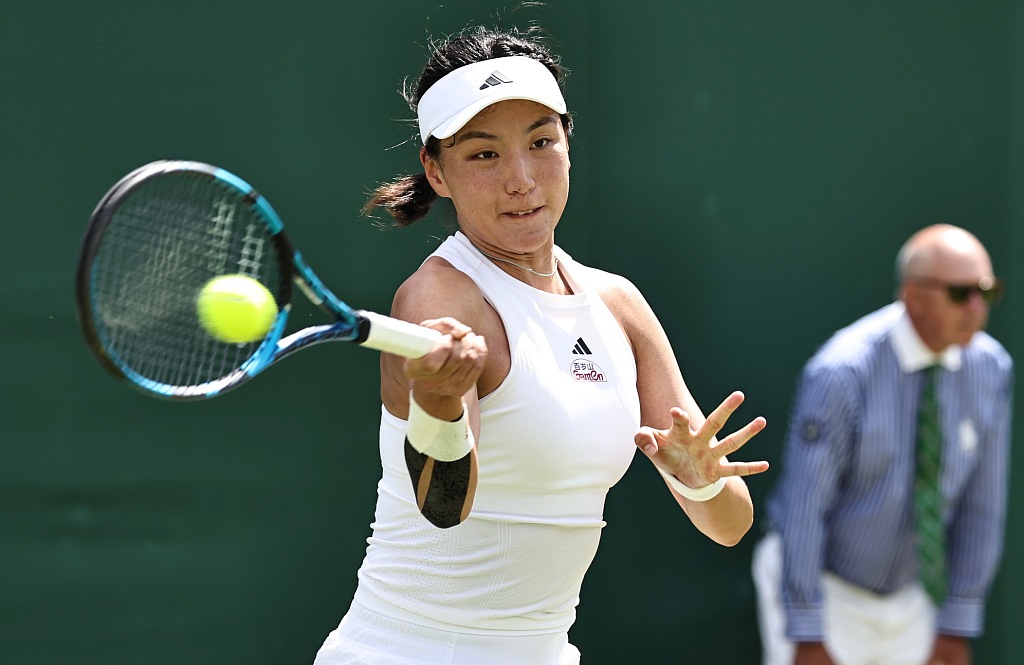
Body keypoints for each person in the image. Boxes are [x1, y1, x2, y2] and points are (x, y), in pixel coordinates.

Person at [312, 23, 769, 665]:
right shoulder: (439, 300)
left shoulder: (618, 303)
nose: (522, 179)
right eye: (483, 154)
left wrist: (697, 480)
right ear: (435, 171)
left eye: (540, 142)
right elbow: (443, 507)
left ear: (567, 146)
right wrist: (440, 406)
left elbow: (729, 524)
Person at [752, 224, 1012, 665]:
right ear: (915, 296)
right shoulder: (841, 372)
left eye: (985, 292)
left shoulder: (991, 369)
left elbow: (982, 507)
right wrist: (808, 631)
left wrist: (957, 621)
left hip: (913, 599)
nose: (975, 308)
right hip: (825, 589)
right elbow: (804, 509)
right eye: (960, 293)